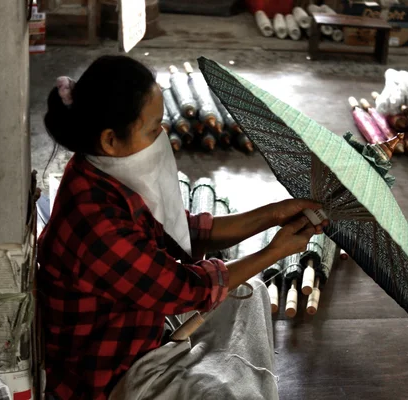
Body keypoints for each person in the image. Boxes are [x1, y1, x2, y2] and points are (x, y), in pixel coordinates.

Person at [38, 55, 326, 400]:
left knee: (249, 293)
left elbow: (181, 232)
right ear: (111, 140)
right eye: (151, 128)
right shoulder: (95, 220)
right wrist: (274, 252)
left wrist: (274, 214)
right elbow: (185, 289)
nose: (162, 135)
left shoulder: (104, 169)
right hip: (109, 377)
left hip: (142, 328)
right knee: (224, 393)